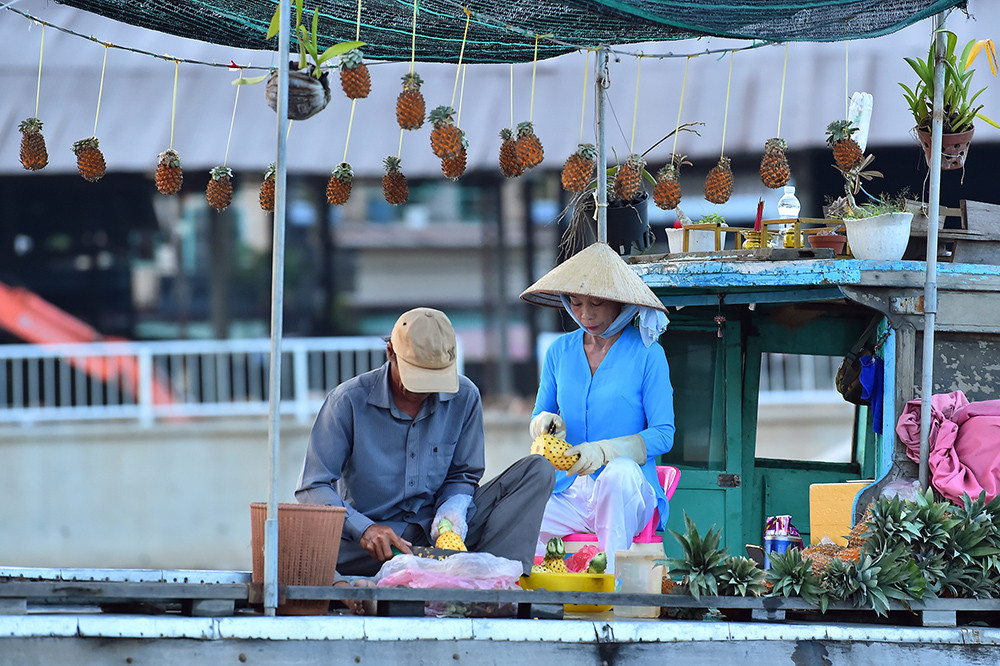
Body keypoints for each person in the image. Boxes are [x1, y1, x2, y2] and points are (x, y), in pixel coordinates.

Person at [295, 307, 554, 578]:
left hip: (439, 542)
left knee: (537, 470)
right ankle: (457, 577)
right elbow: (313, 486)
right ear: (390, 353)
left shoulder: (465, 397)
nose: (423, 390)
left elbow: (463, 475)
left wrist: (453, 508)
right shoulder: (347, 401)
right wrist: (364, 529)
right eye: (415, 378)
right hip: (371, 550)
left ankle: (491, 585)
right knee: (304, 551)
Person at [520, 242, 675, 573]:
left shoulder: (648, 354)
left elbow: (664, 434)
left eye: (596, 303)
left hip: (629, 490)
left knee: (616, 475)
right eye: (575, 303)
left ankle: (609, 584)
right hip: (572, 489)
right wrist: (545, 424)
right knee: (518, 513)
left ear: (620, 303)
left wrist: (607, 451)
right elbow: (538, 415)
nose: (585, 314)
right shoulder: (559, 352)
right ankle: (532, 596)